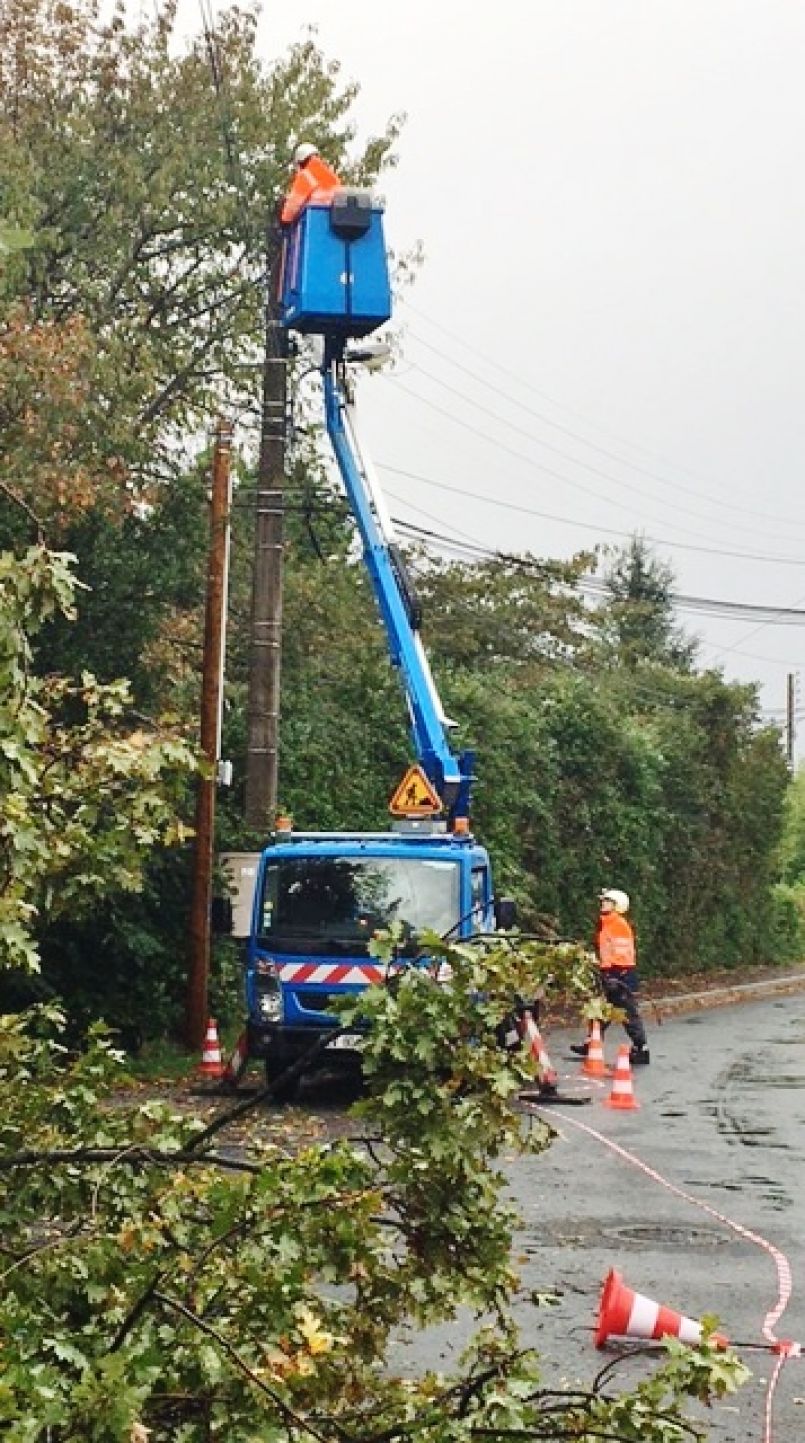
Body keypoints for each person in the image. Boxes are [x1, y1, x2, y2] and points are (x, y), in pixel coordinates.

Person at [571, 888, 650, 1065]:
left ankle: (641, 1048)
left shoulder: (618, 924)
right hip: (611, 973)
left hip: (620, 975)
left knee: (627, 1013)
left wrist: (616, 974)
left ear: (617, 906)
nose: (603, 903)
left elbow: (622, 952)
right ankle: (592, 1042)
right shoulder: (607, 923)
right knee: (600, 1011)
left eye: (607, 901)